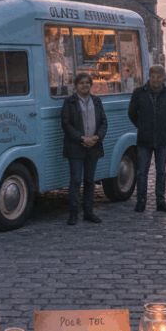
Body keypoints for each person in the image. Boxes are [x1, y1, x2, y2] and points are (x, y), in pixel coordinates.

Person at [128, 64, 166, 213]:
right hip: (144, 139)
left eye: (158, 77)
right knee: (142, 172)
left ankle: (160, 201)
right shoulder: (139, 92)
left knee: (161, 172)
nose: (155, 80)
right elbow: (132, 113)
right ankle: (141, 201)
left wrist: (164, 126)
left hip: (162, 139)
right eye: (153, 77)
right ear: (149, 77)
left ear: (164, 78)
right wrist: (142, 126)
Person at [61, 73, 108, 225]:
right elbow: (66, 124)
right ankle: (73, 214)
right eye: (81, 83)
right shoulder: (69, 101)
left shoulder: (96, 100)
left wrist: (96, 137)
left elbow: (103, 122)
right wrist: (82, 138)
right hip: (76, 146)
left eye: (87, 82)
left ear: (91, 84)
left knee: (89, 181)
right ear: (76, 85)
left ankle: (88, 212)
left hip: (93, 146)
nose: (85, 85)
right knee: (75, 181)